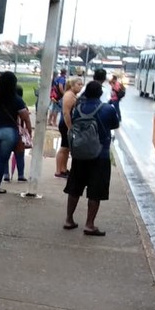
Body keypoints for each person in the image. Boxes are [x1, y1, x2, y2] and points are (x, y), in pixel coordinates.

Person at [63, 81, 120, 236]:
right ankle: (89, 224)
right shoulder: (107, 109)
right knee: (96, 191)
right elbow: (115, 125)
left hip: (80, 153)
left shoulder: (78, 108)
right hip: (100, 155)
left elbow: (74, 122)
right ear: (100, 94)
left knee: (75, 187)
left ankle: (69, 219)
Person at [0, 71, 32, 193]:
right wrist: (29, 133)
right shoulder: (17, 99)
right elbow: (25, 117)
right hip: (9, 132)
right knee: (2, 159)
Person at [56, 76, 84, 178]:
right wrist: (69, 127)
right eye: (79, 84)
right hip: (65, 124)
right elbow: (66, 112)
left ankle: (63, 169)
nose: (81, 87)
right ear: (72, 85)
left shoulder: (73, 95)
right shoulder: (69, 95)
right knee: (64, 147)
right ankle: (58, 170)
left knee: (67, 148)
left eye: (82, 85)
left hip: (68, 124)